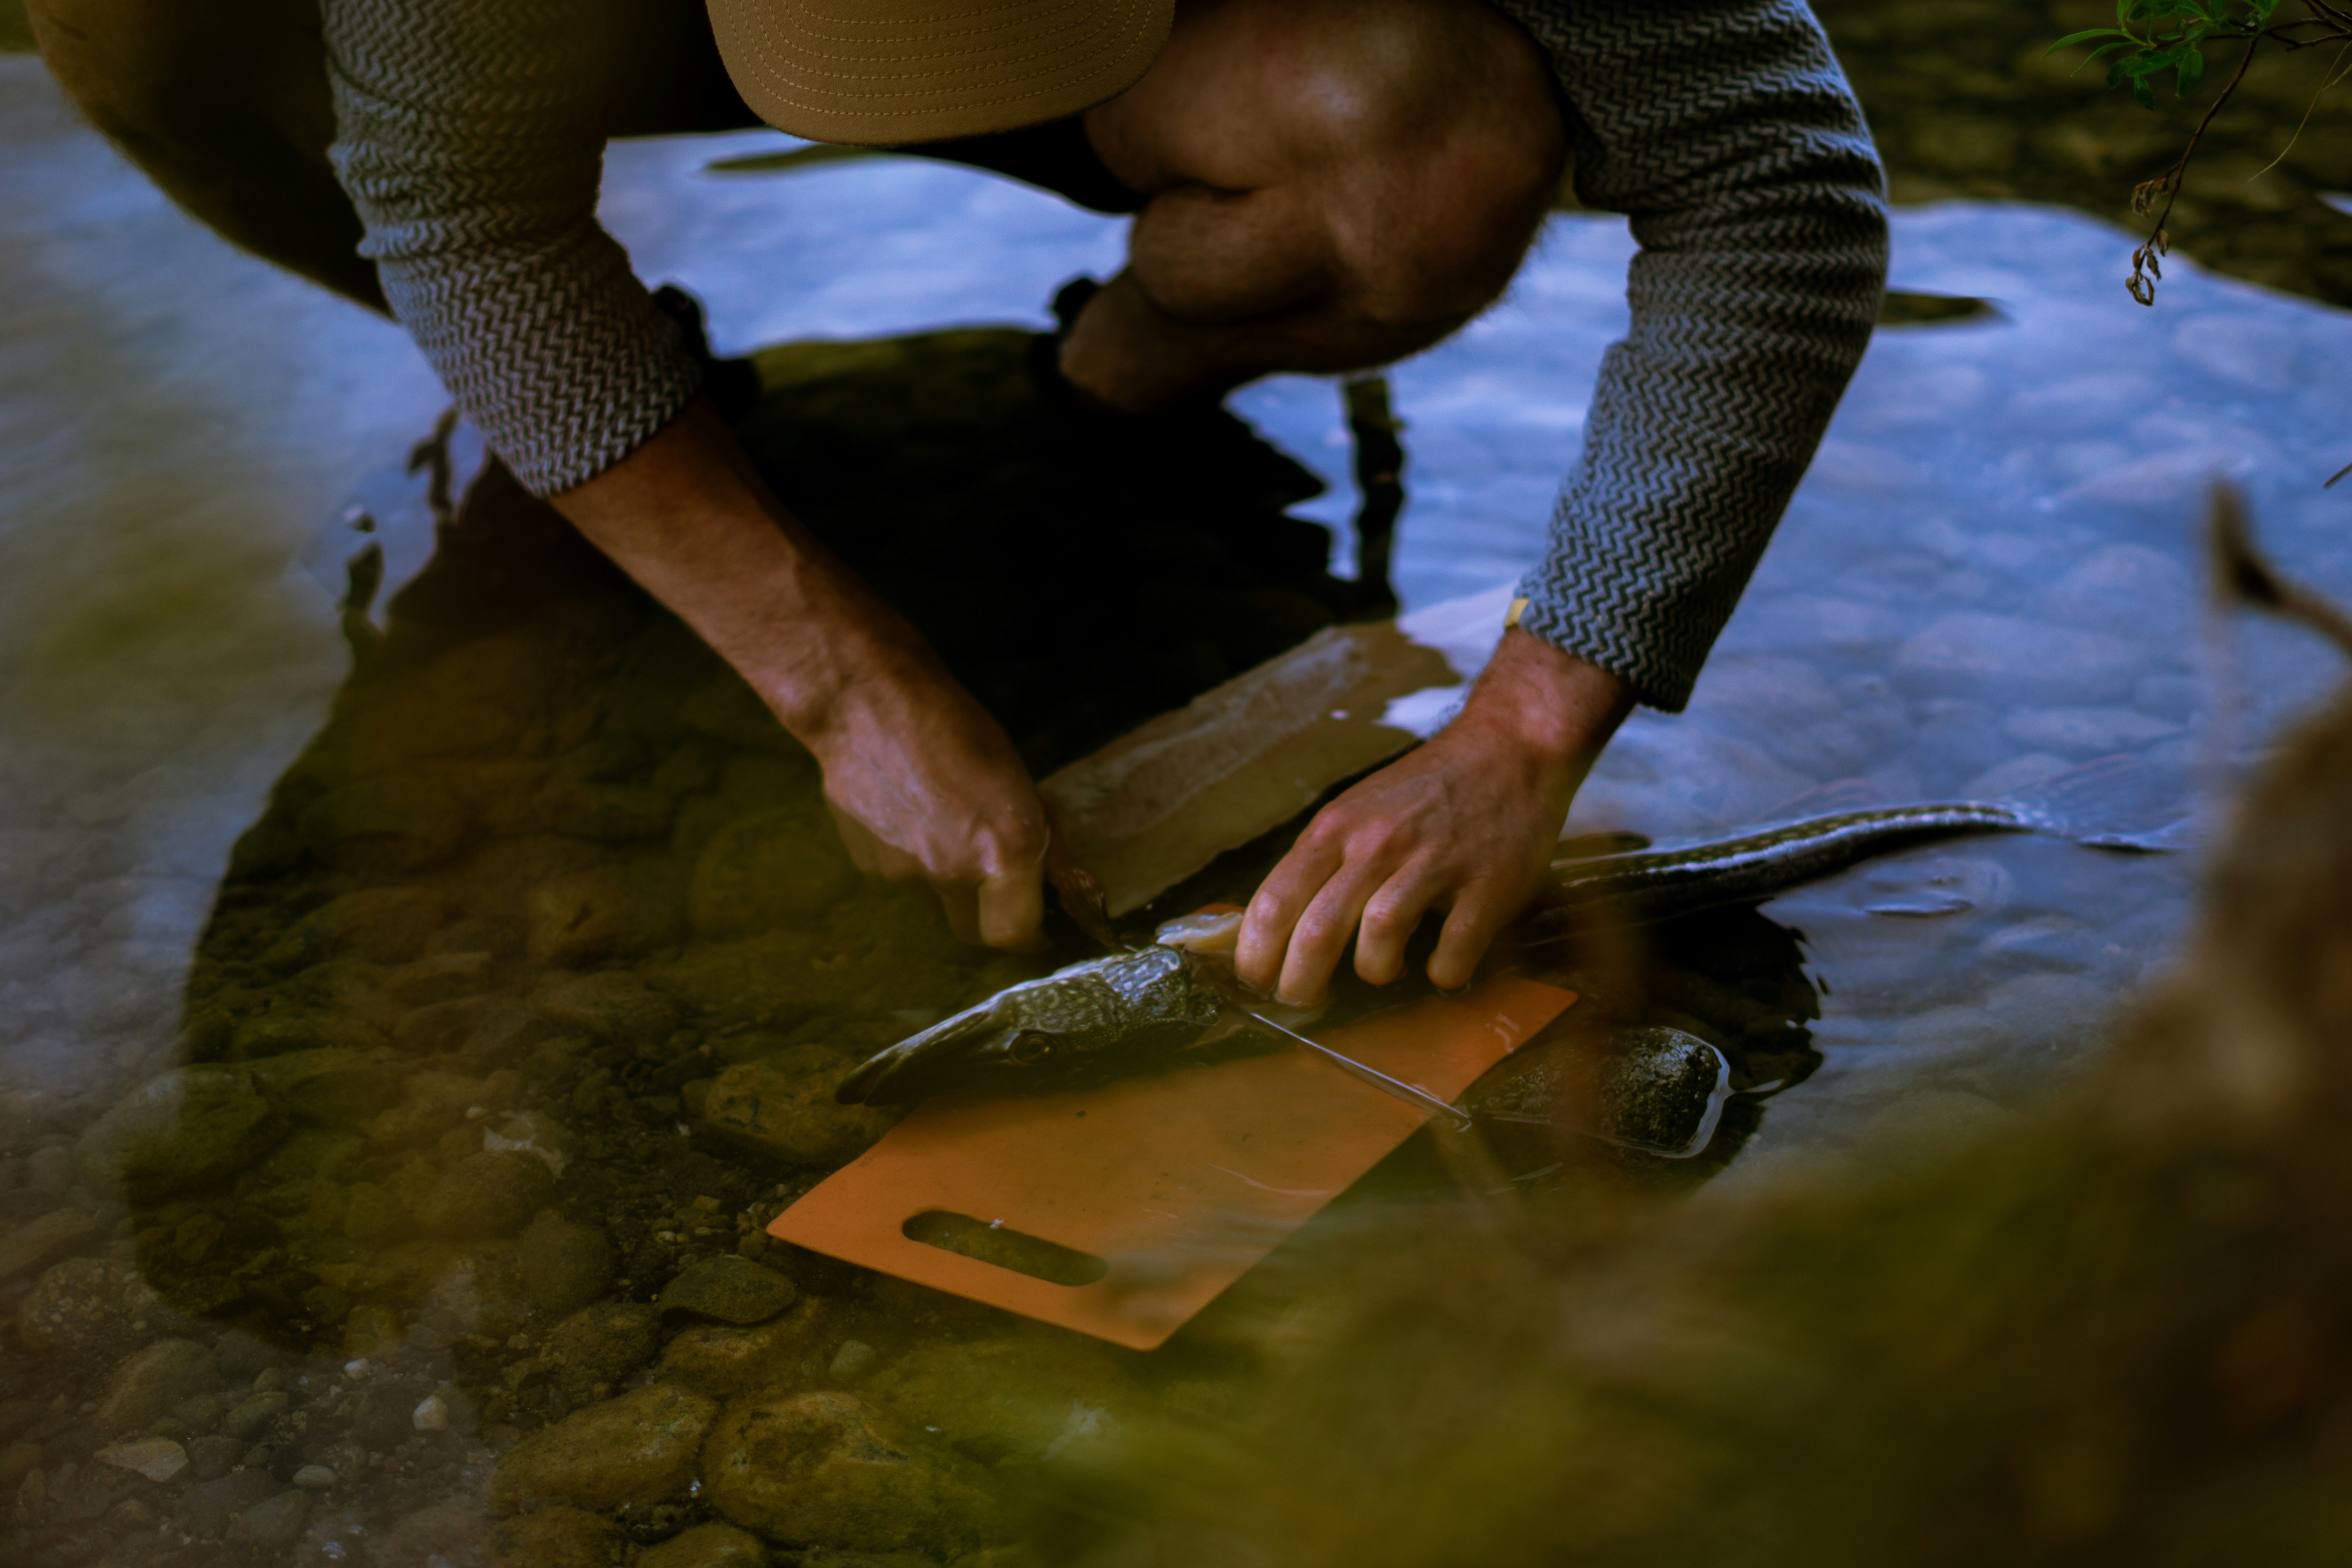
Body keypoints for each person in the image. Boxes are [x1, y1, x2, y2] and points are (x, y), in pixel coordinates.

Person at [29, 0, 1886, 1006]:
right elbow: (465, 211)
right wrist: (842, 682)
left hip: (1155, 41)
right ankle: (611, 418)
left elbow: (1772, 179)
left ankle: (1117, 381)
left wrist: (1526, 725)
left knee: (1433, 139)